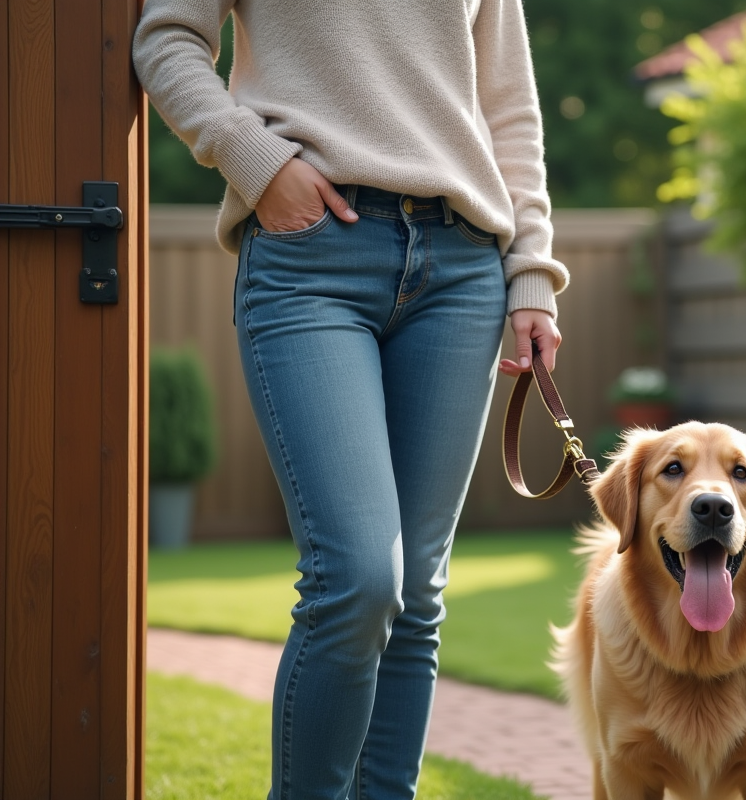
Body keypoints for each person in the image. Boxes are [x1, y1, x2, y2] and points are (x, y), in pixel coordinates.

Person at [133, 2, 568, 797]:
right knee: (360, 579)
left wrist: (531, 270)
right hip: (310, 260)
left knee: (418, 596)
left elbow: (510, 107)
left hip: (463, 268)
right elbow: (166, 38)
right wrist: (256, 161)